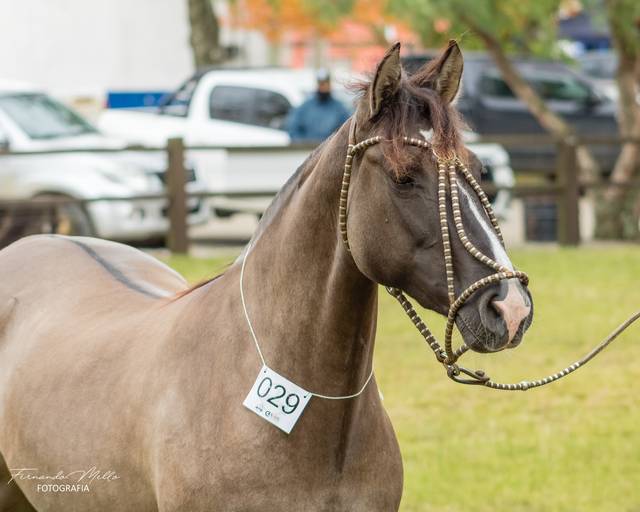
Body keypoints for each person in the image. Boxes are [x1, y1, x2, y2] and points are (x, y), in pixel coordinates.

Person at [287, 69, 350, 143]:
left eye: (326, 83)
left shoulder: (339, 109)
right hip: (307, 148)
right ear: (317, 84)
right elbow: (293, 128)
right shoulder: (305, 107)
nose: (323, 87)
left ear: (330, 84)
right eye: (321, 84)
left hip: (330, 148)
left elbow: (348, 129)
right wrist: (301, 144)